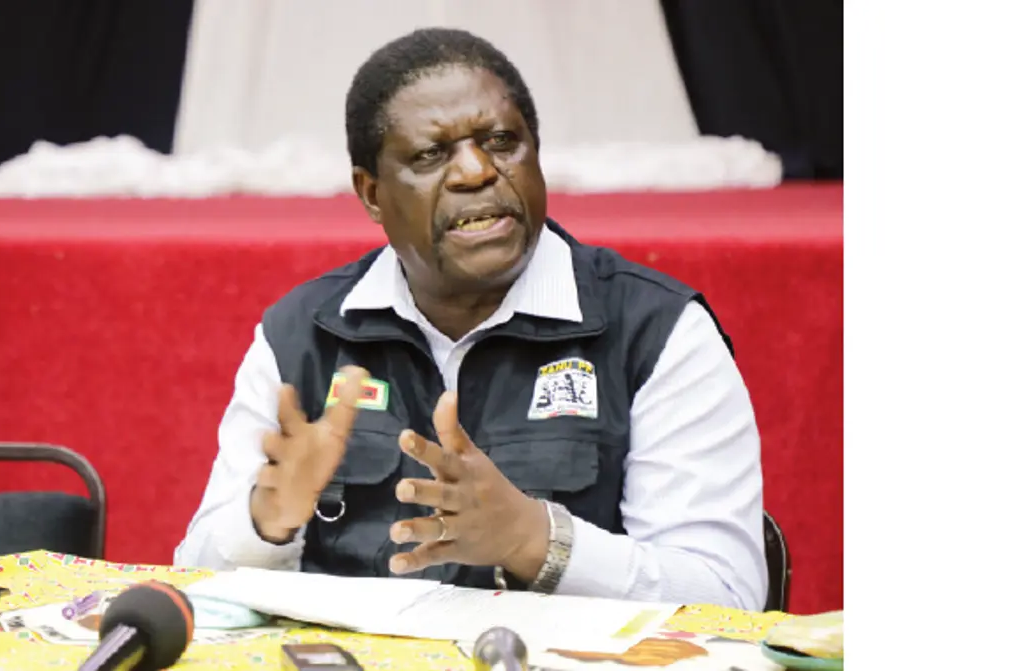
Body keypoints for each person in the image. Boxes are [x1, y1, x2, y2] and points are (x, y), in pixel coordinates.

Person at [175, 27, 767, 611]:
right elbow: (193, 580)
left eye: (502, 141)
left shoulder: (657, 332)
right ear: (372, 193)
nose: (475, 171)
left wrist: (535, 540)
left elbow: (727, 598)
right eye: (431, 155)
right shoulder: (302, 337)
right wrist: (266, 522)